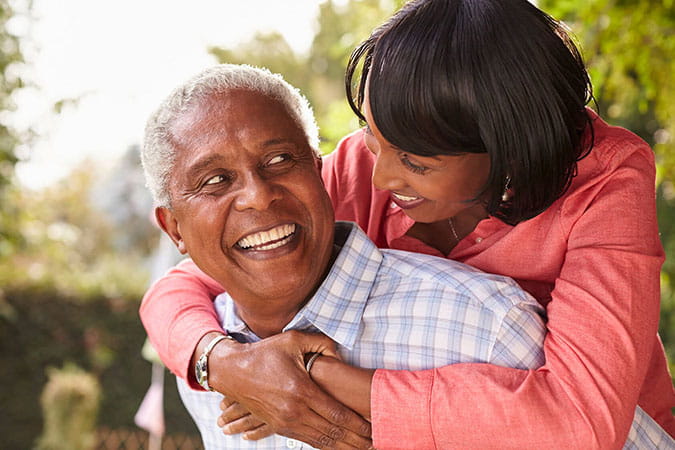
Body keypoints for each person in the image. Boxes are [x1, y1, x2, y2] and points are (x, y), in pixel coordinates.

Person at [140, 0, 675, 448]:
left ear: (505, 149)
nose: (380, 176)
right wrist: (222, 360)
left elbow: (580, 421)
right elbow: (188, 280)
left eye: (417, 162)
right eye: (372, 134)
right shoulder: (358, 167)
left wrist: (308, 377)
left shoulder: (604, 182)